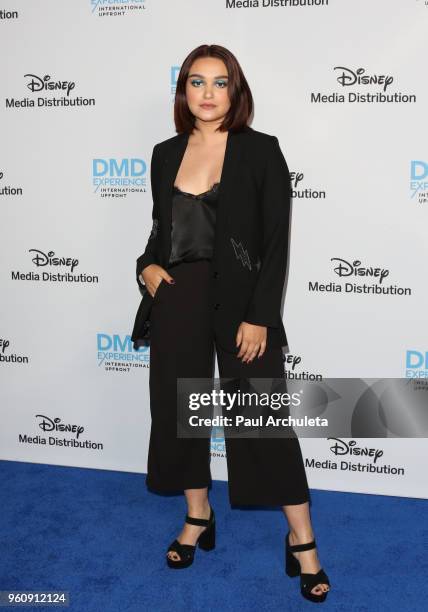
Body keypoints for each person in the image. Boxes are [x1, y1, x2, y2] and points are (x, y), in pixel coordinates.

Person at [132, 44, 331, 603]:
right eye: (197, 82)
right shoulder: (165, 153)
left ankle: (303, 539)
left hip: (244, 306)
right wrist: (145, 267)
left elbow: (275, 243)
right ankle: (198, 515)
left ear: (236, 90)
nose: (208, 93)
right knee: (179, 412)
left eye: (220, 83)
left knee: (260, 419)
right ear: (183, 90)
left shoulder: (260, 151)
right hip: (178, 299)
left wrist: (261, 316)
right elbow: (161, 231)